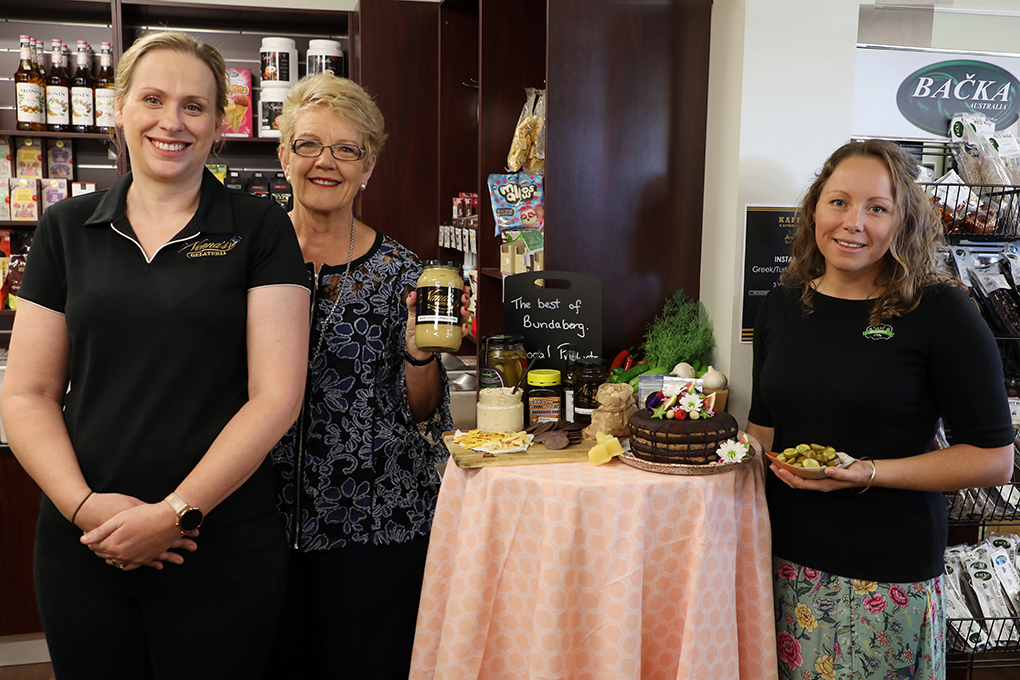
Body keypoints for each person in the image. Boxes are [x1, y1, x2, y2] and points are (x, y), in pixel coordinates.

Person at [0, 32, 310, 679]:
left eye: (194, 106)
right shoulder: (65, 228)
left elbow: (276, 395)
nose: (172, 122)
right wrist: (85, 507)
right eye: (153, 99)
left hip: (219, 542)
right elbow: (27, 393)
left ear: (220, 121)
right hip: (83, 542)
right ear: (120, 108)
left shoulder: (260, 227)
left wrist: (177, 513)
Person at [746, 139, 1014, 679]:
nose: (853, 223)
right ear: (815, 207)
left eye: (877, 208)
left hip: (883, 576)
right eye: (839, 202)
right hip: (778, 562)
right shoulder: (782, 302)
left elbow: (993, 460)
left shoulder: (940, 310)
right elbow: (764, 430)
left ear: (903, 221)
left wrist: (865, 474)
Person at [263, 72, 454, 679]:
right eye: (309, 144)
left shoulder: (404, 272)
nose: (327, 162)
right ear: (283, 153)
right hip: (254, 521)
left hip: (375, 527)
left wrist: (417, 352)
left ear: (368, 166)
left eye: (347, 149)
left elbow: (422, 412)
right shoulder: (243, 255)